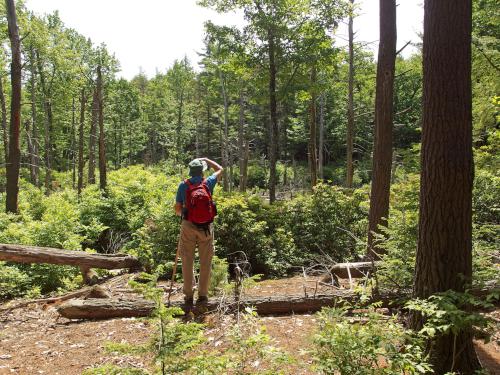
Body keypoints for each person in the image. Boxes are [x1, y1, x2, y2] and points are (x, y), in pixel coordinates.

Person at [174, 157, 223, 307]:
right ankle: (203, 296)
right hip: (206, 228)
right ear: (202, 171)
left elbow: (177, 209)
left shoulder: (183, 185)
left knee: (187, 260)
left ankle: (188, 296)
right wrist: (207, 159)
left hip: (188, 225)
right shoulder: (208, 182)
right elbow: (220, 169)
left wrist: (186, 213)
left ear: (190, 171)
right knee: (205, 262)